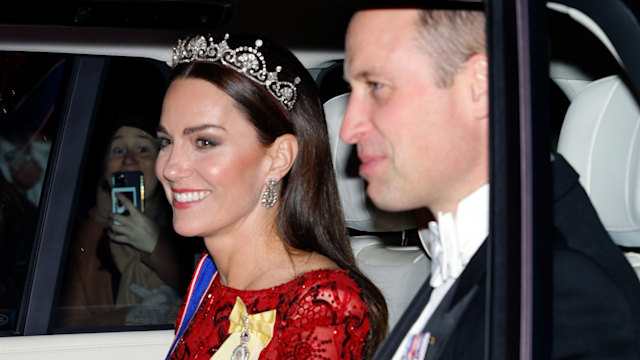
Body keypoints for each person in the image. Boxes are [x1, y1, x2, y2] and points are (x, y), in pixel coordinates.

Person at [340, 2, 640, 360]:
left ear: (479, 87)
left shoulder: (558, 297)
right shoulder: (470, 259)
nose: (347, 128)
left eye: (376, 86)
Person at [159, 33, 387, 359]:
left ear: (278, 158)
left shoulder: (322, 302)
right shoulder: (210, 281)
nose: (171, 168)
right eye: (166, 142)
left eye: (204, 142)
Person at [57, 104, 190, 327]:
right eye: (118, 150)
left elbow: (213, 295)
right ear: (105, 167)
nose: (129, 160)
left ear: (162, 163)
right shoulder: (80, 239)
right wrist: (129, 318)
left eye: (143, 149)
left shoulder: (190, 228)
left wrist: (155, 245)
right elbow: (65, 328)